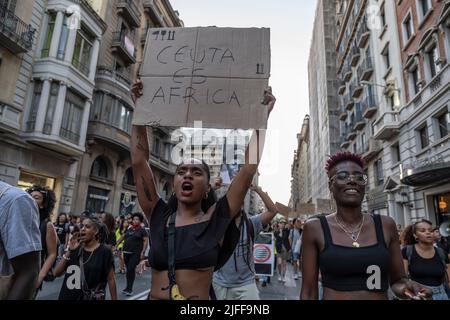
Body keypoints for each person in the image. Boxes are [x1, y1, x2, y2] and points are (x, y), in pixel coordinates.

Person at [130, 79, 276, 300]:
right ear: (175, 181)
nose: (188, 174)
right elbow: (140, 161)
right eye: (182, 171)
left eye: (197, 172)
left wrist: (262, 119)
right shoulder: (157, 215)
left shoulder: (215, 220)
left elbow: (248, 169)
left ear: (208, 188)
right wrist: (139, 113)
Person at [300, 151, 432, 300]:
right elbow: (309, 291)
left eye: (359, 177)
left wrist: (408, 289)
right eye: (343, 176)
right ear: (331, 185)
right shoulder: (315, 228)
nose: (352, 181)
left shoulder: (386, 225)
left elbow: (397, 281)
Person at [212, 184, 278, 300]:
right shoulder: (217, 224)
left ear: (242, 205)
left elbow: (273, 211)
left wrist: (258, 190)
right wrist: (213, 188)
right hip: (219, 283)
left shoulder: (252, 223)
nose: (235, 205)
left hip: (246, 284)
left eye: (239, 202)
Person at [55, 216, 117, 300]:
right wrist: (69, 250)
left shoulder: (105, 251)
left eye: (87, 227)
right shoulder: (75, 248)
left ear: (95, 231)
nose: (83, 229)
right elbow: (57, 273)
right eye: (82, 226)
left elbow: (111, 279)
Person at [0, 180, 42, 300]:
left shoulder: (15, 200)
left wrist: (43, 273)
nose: (34, 198)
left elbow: (29, 271)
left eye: (37, 197)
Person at [402, 220, 450, 300]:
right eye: (422, 230)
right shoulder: (407, 251)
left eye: (430, 230)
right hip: (420, 296)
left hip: (442, 295)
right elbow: (403, 279)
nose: (428, 233)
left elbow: (448, 281)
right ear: (415, 235)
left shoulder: (442, 253)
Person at [27, 185, 58, 292]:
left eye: (36, 197)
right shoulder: (19, 219)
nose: (31, 199)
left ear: (42, 205)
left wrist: (39, 277)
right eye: (29, 196)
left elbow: (52, 254)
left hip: (31, 275)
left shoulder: (47, 225)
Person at [116, 212, 149, 295]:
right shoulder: (129, 229)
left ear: (140, 221)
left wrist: (143, 252)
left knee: (131, 269)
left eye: (137, 219)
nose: (135, 221)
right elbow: (123, 237)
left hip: (135, 253)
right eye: (134, 219)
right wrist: (116, 244)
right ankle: (127, 287)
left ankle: (130, 289)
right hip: (126, 252)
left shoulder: (142, 230)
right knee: (129, 270)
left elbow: (145, 241)